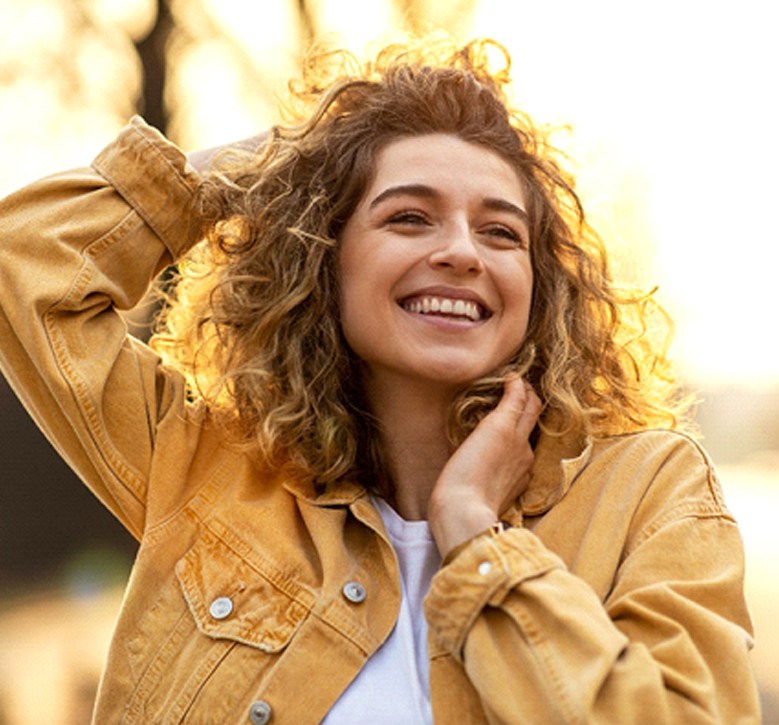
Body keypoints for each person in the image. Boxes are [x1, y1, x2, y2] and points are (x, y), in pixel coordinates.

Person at [0, 37, 760, 724]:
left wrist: (474, 533)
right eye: (408, 218)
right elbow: (26, 267)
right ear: (319, 260)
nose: (463, 251)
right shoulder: (211, 472)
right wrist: (278, 162)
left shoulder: (647, 489)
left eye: (500, 231)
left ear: (539, 286)